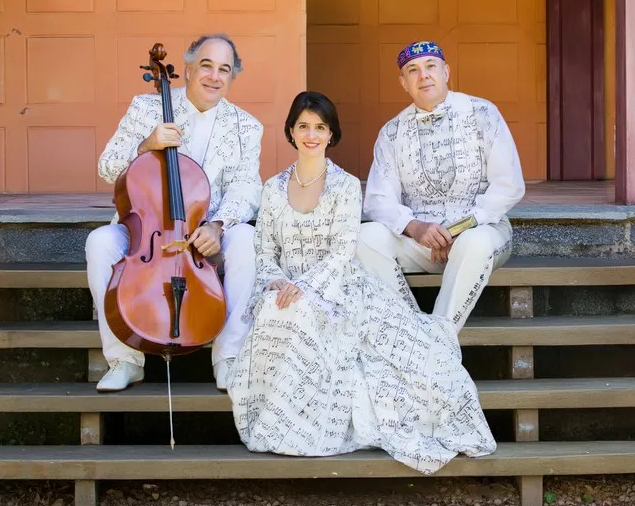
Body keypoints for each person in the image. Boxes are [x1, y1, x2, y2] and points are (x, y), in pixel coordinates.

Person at [225, 91, 495, 475]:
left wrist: (306, 288)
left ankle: (318, 429)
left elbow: (341, 251)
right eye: (304, 126)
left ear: (332, 134)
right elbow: (265, 249)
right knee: (276, 311)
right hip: (284, 287)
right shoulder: (272, 188)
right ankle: (281, 426)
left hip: (336, 287)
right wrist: (277, 282)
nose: (312, 134)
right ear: (290, 131)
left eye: (320, 127)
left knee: (314, 317)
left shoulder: (346, 185)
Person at [86, 34, 263, 392]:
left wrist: (218, 225)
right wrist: (146, 145)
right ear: (186, 69)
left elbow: (247, 187)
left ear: (232, 78)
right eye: (206, 66)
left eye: (224, 69)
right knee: (100, 242)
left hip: (204, 234)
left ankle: (228, 357)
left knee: (246, 239)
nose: (214, 76)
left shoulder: (247, 126)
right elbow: (107, 167)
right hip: (148, 232)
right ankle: (124, 359)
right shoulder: (146, 108)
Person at [356, 41, 526, 331]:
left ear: (446, 72)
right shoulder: (392, 132)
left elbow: (508, 186)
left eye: (431, 66)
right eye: (413, 70)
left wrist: (456, 230)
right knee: (365, 237)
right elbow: (378, 199)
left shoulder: (483, 113)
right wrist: (416, 228)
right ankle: (411, 330)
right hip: (420, 242)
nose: (423, 76)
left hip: (480, 231)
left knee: (474, 243)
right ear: (404, 83)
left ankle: (440, 337)